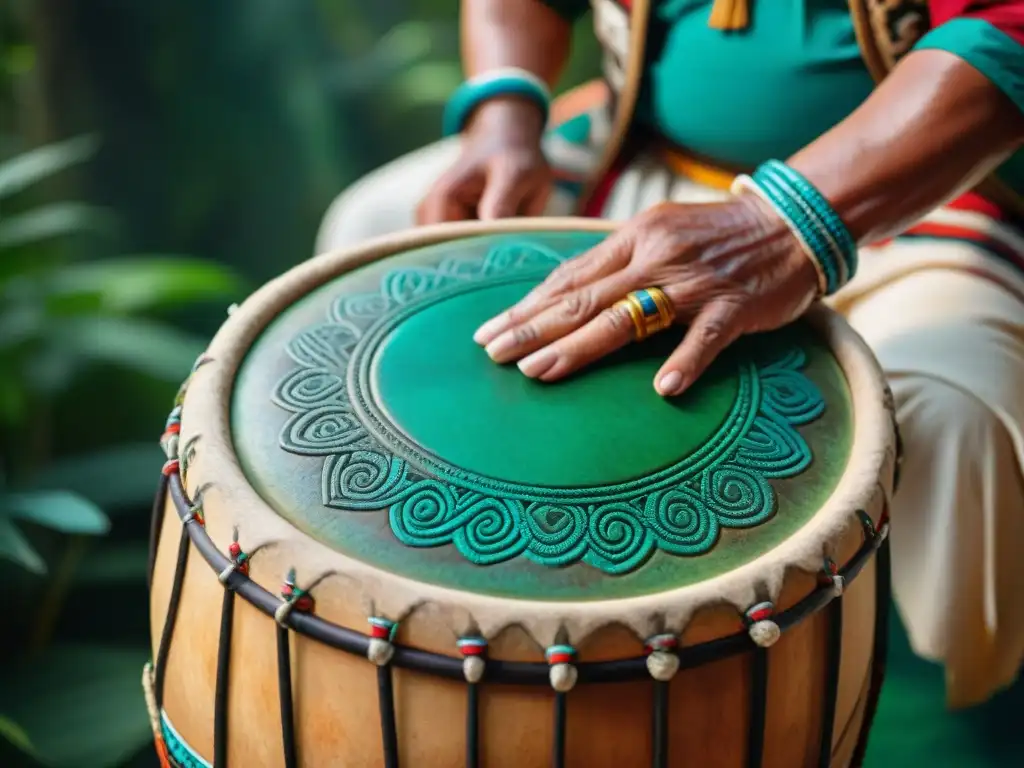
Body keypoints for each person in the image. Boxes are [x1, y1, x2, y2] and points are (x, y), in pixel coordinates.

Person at [316, 0, 1024, 708]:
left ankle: (941, 705)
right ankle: (405, 594)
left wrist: (779, 225)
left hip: (913, 198)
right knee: (373, 226)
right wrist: (501, 113)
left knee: (952, 411)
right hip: (638, 160)